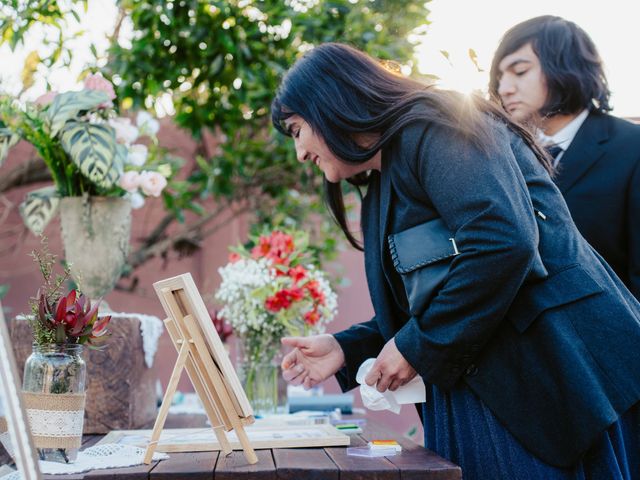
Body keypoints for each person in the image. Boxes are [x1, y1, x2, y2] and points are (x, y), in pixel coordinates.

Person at [272, 43, 640, 479]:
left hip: (543, 380)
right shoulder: (384, 181)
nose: (299, 153)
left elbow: (502, 241)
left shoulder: (439, 124)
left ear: (329, 103)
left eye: (297, 130)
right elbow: (432, 298)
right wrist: (346, 347)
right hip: (484, 387)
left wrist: (416, 346)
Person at [489, 15, 640, 299]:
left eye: (519, 71)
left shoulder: (633, 148)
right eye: (499, 77)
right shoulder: (501, 155)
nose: (504, 88)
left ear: (565, 67)